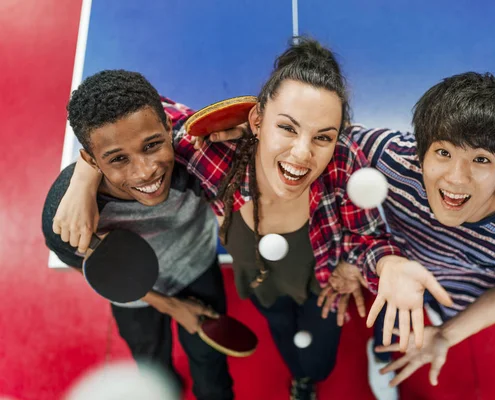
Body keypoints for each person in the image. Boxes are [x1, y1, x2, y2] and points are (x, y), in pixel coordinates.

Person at [52, 38, 453, 399]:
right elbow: (146, 115)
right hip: (259, 277)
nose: (301, 154)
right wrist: (84, 176)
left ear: (337, 138)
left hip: (322, 279)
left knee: (317, 362)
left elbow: (366, 236)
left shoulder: (345, 164)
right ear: (257, 121)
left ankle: (307, 379)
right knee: (276, 321)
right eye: (287, 128)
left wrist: (388, 262)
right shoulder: (214, 155)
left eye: (323, 136)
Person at [347, 72, 495, 398]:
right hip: (400, 272)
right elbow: (323, 135)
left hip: (459, 291)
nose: (455, 178)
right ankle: (380, 355)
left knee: (438, 315)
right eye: (443, 153)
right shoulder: (389, 157)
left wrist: (447, 334)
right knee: (388, 325)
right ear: (420, 151)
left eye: (480, 160)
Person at [42, 70, 234, 399]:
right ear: (90, 159)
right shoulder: (69, 216)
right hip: (131, 291)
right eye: (118, 159)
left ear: (169, 129)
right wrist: (171, 306)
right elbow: (83, 264)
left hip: (196, 264)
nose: (146, 171)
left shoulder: (194, 163)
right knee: (151, 368)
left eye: (152, 145)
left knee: (211, 366)